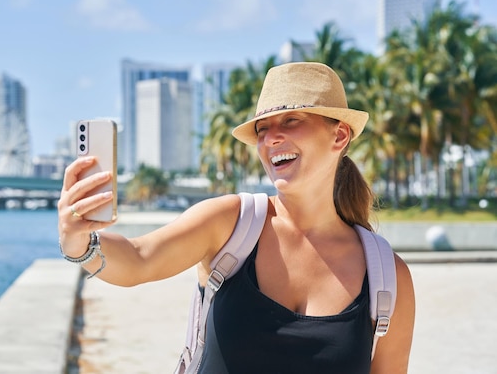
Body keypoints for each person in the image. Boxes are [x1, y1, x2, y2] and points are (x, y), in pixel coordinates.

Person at [58, 62, 415, 373]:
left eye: (291, 120)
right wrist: (81, 243)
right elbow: (138, 259)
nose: (271, 137)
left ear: (339, 135)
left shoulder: (386, 276)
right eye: (262, 128)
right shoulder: (232, 223)